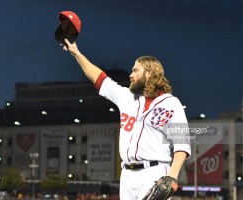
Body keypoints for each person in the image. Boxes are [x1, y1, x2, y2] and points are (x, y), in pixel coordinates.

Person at [61, 38, 191, 200]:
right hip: (127, 176)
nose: (131, 75)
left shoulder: (171, 103)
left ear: (149, 73)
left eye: (135, 70)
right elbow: (99, 78)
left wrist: (172, 175)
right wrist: (76, 53)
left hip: (154, 172)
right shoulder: (127, 97)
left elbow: (182, 144)